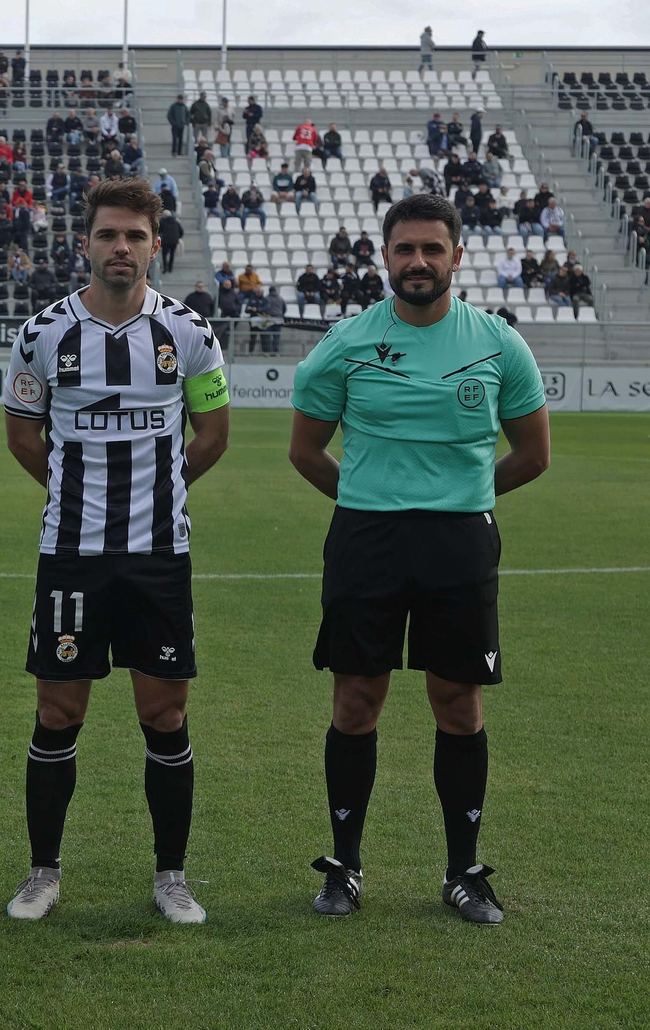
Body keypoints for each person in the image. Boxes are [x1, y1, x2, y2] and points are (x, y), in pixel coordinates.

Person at [289, 193, 549, 926]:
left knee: (458, 704)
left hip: (460, 541)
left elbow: (534, 455)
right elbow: (305, 451)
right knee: (355, 700)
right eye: (405, 249)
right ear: (385, 257)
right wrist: (372, 499)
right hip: (365, 540)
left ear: (457, 257)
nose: (419, 262)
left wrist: (461, 496)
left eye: (433, 249)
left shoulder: (499, 344)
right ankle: (345, 865)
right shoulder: (345, 344)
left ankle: (463, 872)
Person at [2, 176, 230, 925]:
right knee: (58, 709)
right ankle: (43, 873)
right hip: (71, 555)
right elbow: (22, 438)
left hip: (159, 555)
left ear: (154, 246)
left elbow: (212, 436)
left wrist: (163, 488)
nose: (121, 248)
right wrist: (74, 491)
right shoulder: (41, 334)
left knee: (164, 714)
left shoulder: (189, 334)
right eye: (108, 235)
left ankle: (171, 876)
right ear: (86, 244)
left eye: (135, 236)